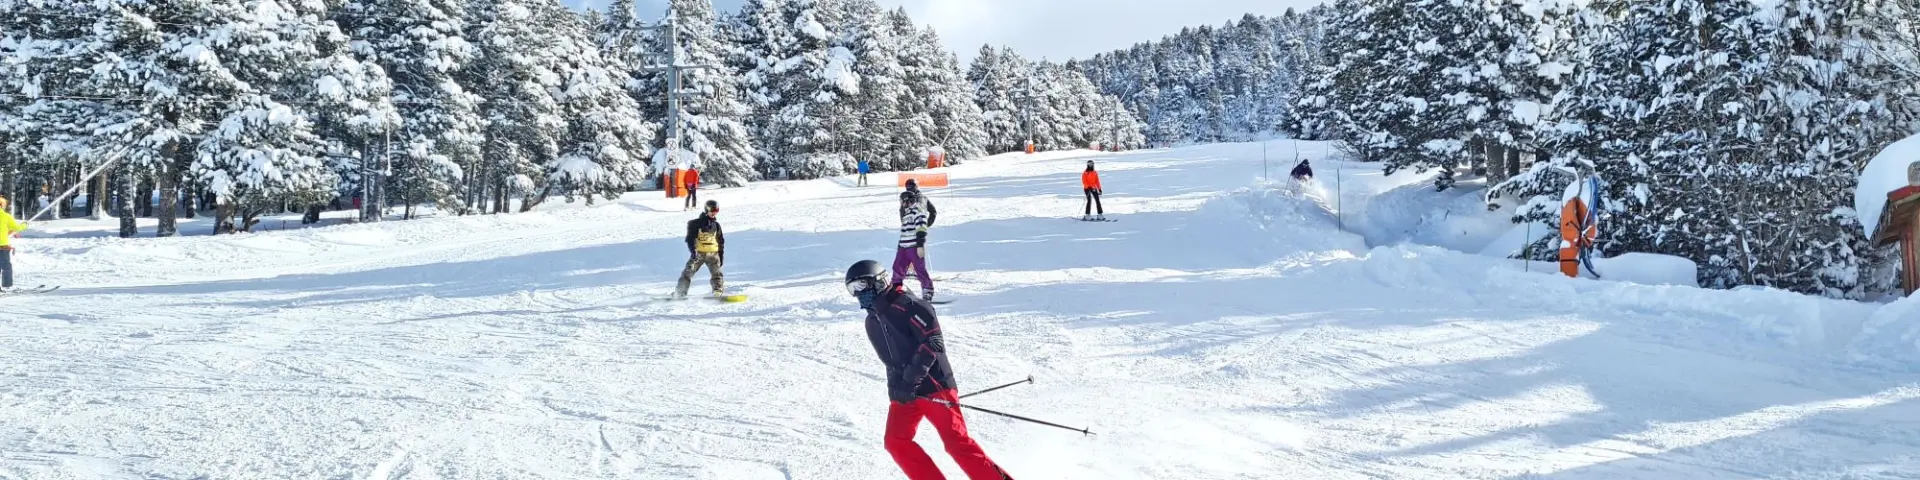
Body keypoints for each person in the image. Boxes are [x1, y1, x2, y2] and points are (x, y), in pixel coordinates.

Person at [844, 260, 1016, 480]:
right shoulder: (872, 322)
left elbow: (932, 341)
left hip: (935, 386)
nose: (858, 294)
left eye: (861, 286)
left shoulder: (909, 305)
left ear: (878, 281)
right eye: (852, 290)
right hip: (906, 393)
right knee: (896, 441)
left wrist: (910, 382)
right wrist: (897, 390)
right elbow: (891, 362)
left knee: (956, 443)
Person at [894, 179, 937, 301]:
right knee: (904, 260)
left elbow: (932, 212)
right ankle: (908, 275)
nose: (908, 189)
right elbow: (933, 212)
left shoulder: (916, 200)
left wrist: (923, 227)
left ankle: (926, 288)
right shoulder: (911, 198)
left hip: (917, 232)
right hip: (912, 232)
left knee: (917, 258)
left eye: (909, 187)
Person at [675, 200, 725, 298]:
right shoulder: (696, 223)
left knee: (717, 274)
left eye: (717, 210)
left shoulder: (716, 225)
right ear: (707, 209)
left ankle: (717, 291)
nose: (715, 212)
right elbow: (690, 238)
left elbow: (721, 242)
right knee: (688, 272)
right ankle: (680, 292)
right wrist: (693, 252)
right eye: (713, 210)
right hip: (699, 254)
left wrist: (721, 256)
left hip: (713, 254)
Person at [0, 196, 26, 291]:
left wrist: (9, 232)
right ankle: (7, 286)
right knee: (6, 266)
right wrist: (24, 225)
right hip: (2, 246)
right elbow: (17, 227)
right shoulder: (6, 216)